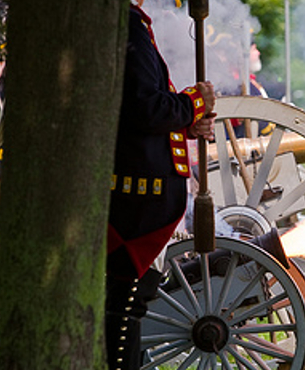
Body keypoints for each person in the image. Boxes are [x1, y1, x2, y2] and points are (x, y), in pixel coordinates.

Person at [104, 1, 216, 369]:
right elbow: (143, 107)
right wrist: (193, 103)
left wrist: (186, 121)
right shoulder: (128, 22)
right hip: (139, 194)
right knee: (126, 300)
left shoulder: (127, 21)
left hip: (137, 187)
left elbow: (126, 110)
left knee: (127, 299)